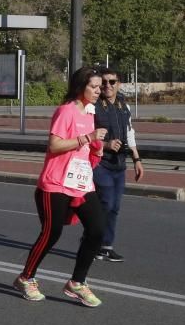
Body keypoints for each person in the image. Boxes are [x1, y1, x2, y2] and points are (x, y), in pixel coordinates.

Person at [13, 66, 107, 307]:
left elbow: (87, 146)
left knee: (97, 229)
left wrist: (97, 145)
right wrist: (88, 137)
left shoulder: (89, 112)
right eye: (94, 87)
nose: (99, 91)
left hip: (81, 182)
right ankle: (26, 278)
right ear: (80, 87)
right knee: (51, 232)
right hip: (55, 182)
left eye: (100, 87)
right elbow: (55, 145)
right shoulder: (66, 111)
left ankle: (77, 282)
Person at [93, 68, 144, 262]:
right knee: (106, 203)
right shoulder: (93, 106)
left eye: (112, 82)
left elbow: (129, 134)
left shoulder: (124, 105)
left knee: (114, 207)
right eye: (104, 82)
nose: (107, 86)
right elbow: (86, 135)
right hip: (101, 162)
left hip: (120, 163)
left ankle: (106, 246)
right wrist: (105, 144)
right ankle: (93, 240)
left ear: (119, 84)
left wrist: (137, 160)